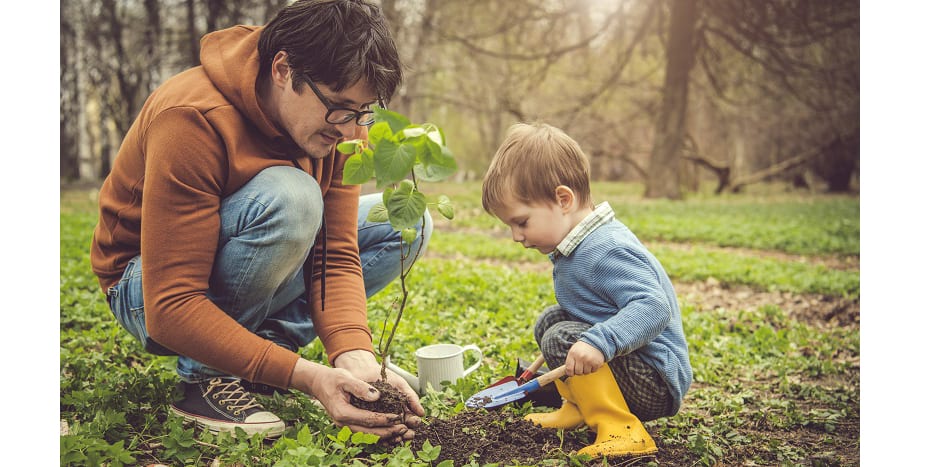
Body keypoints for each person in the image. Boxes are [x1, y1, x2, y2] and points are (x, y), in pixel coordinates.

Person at [90, 0, 428, 442]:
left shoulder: (343, 127)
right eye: (340, 108)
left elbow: (336, 254)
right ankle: (206, 376)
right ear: (283, 70)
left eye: (363, 110)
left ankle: (266, 352)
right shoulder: (191, 117)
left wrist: (354, 352)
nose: (350, 130)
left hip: (238, 265)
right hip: (146, 290)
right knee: (293, 198)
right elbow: (171, 304)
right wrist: (307, 377)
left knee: (405, 222)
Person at [480, 122, 692, 459]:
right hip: (631, 366)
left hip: (654, 381)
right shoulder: (577, 245)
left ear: (563, 199)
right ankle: (577, 408)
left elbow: (654, 307)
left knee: (561, 338)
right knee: (551, 321)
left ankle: (622, 429)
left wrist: (599, 342)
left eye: (521, 222)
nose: (516, 237)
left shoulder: (605, 249)